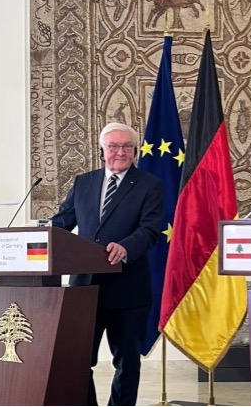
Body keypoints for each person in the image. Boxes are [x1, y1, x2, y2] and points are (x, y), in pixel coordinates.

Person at [51, 122, 164, 405]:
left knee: (127, 363)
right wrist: (38, 236)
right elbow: (62, 223)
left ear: (135, 150)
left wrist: (126, 247)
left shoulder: (150, 185)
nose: (120, 152)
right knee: (78, 360)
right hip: (85, 288)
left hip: (128, 288)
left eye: (127, 146)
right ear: (102, 150)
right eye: (113, 146)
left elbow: (150, 229)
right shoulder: (83, 182)